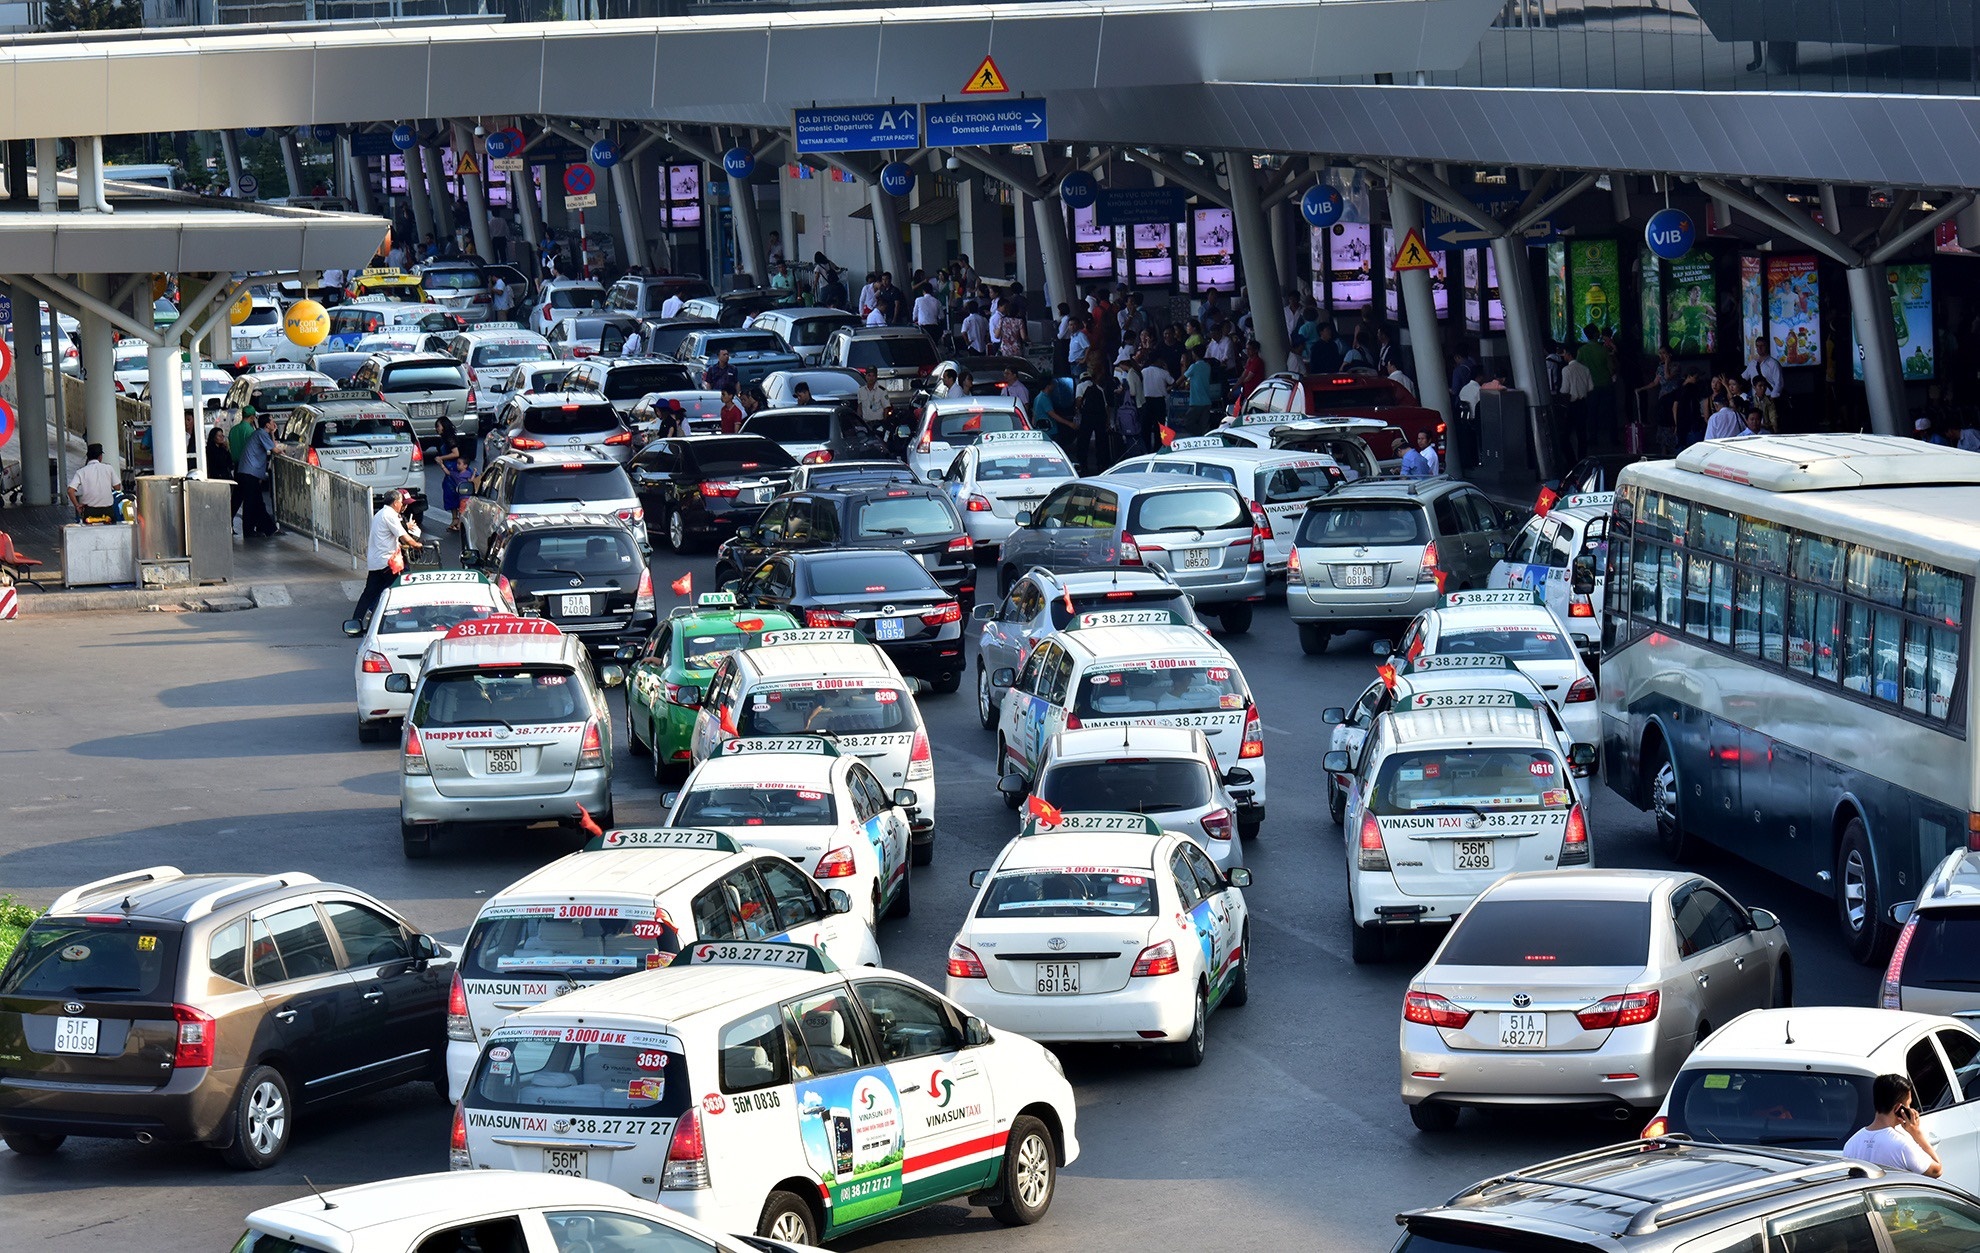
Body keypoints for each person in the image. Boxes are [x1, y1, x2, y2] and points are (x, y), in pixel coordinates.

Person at [1842, 1074, 1944, 1178]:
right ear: (1898, 1108)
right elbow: (1937, 1171)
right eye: (1908, 1105)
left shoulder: (1851, 1144)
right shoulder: (1902, 1146)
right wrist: (1917, 1133)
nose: (1911, 1109)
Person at [351, 489, 424, 626]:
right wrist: (417, 545)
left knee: (369, 593)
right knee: (398, 590)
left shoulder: (381, 514)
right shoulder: (390, 515)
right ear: (396, 503)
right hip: (387, 563)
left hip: (377, 562)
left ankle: (356, 622)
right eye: (401, 502)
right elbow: (405, 537)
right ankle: (391, 622)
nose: (402, 505)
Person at [236, 413, 283, 539]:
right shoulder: (261, 433)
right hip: (248, 473)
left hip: (249, 472)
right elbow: (275, 450)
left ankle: (264, 528)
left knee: (255, 502)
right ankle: (255, 530)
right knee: (252, 502)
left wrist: (272, 433)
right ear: (267, 424)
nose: (274, 424)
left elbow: (272, 446)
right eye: (272, 421)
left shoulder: (262, 434)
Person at [435, 415, 473, 531]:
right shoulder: (447, 438)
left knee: (454, 493)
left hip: (454, 470)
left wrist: (441, 458)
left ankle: (457, 518)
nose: (437, 429)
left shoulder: (449, 438)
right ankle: (456, 518)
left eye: (438, 426)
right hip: (452, 469)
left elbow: (455, 453)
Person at [67, 443, 120, 523]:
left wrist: (77, 506)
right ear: (100, 457)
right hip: (107, 511)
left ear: (88, 457)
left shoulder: (81, 471)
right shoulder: (109, 468)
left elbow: (70, 491)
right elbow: (117, 487)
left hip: (89, 512)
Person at [1743, 333, 1783, 398]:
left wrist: (1773, 397)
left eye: (1762, 345)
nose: (1760, 348)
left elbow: (1779, 383)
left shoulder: (1773, 363)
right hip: (1756, 398)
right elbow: (1744, 377)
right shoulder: (1752, 363)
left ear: (1767, 346)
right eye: (1757, 346)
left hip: (1769, 397)